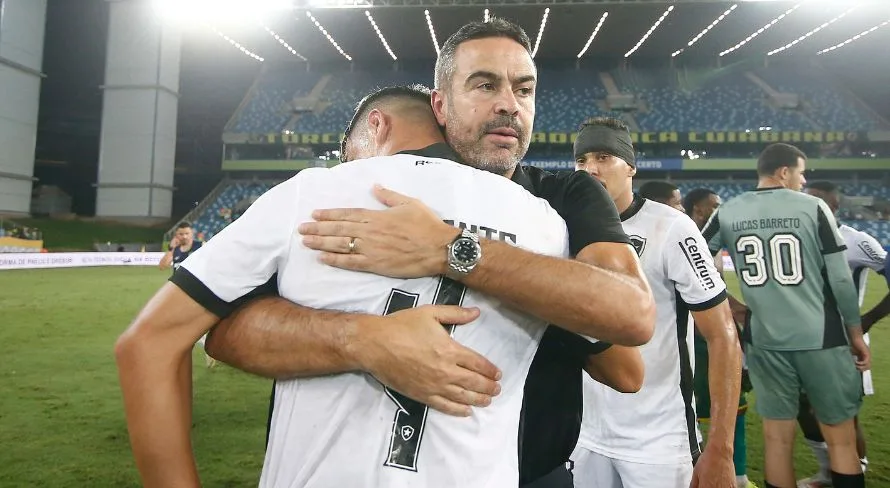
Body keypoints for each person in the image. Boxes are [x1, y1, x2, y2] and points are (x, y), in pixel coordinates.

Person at [204, 20, 655, 488]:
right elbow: (223, 333)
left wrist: (455, 251)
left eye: (525, 90)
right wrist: (363, 339)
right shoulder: (360, 198)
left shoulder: (563, 200)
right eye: (485, 85)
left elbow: (627, 364)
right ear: (441, 106)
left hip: (530, 471)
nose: (509, 104)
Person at [117, 84, 589, 487]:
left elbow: (146, 343)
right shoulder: (540, 220)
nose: (349, 164)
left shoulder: (311, 192)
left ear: (377, 126)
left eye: (349, 150)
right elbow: (616, 351)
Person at [570, 118, 741, 488]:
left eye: (603, 157)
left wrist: (721, 448)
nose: (590, 168)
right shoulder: (566, 224)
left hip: (659, 441)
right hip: (584, 435)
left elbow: (723, 336)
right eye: (582, 160)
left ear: (631, 167)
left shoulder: (672, 228)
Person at [702, 143, 869, 488]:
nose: (803, 180)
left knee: (777, 440)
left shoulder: (728, 211)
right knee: (841, 440)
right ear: (783, 172)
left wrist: (730, 304)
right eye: (801, 173)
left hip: (763, 338)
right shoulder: (813, 207)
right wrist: (855, 333)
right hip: (821, 336)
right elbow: (840, 279)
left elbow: (695, 262)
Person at [796, 181, 890, 488]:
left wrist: (868, 319)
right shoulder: (795, 238)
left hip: (844, 343)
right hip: (802, 340)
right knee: (803, 407)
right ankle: (828, 472)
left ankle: (855, 473)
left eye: (816, 201)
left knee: (845, 413)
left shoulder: (856, 240)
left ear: (833, 206)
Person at [684, 187, 757, 488]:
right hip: (698, 339)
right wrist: (738, 311)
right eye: (714, 205)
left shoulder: (705, 242)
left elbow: (717, 292)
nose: (719, 209)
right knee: (708, 404)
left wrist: (737, 313)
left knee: (729, 403)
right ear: (700, 209)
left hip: (716, 334)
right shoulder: (686, 243)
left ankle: (736, 475)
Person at [157, 221, 214, 367]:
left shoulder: (200, 246)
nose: (184, 236)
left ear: (191, 234)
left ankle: (180, 354)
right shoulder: (176, 250)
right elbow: (163, 266)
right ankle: (206, 348)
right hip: (179, 292)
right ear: (177, 235)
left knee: (182, 324)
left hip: (197, 292)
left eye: (187, 233)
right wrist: (171, 248)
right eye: (181, 234)